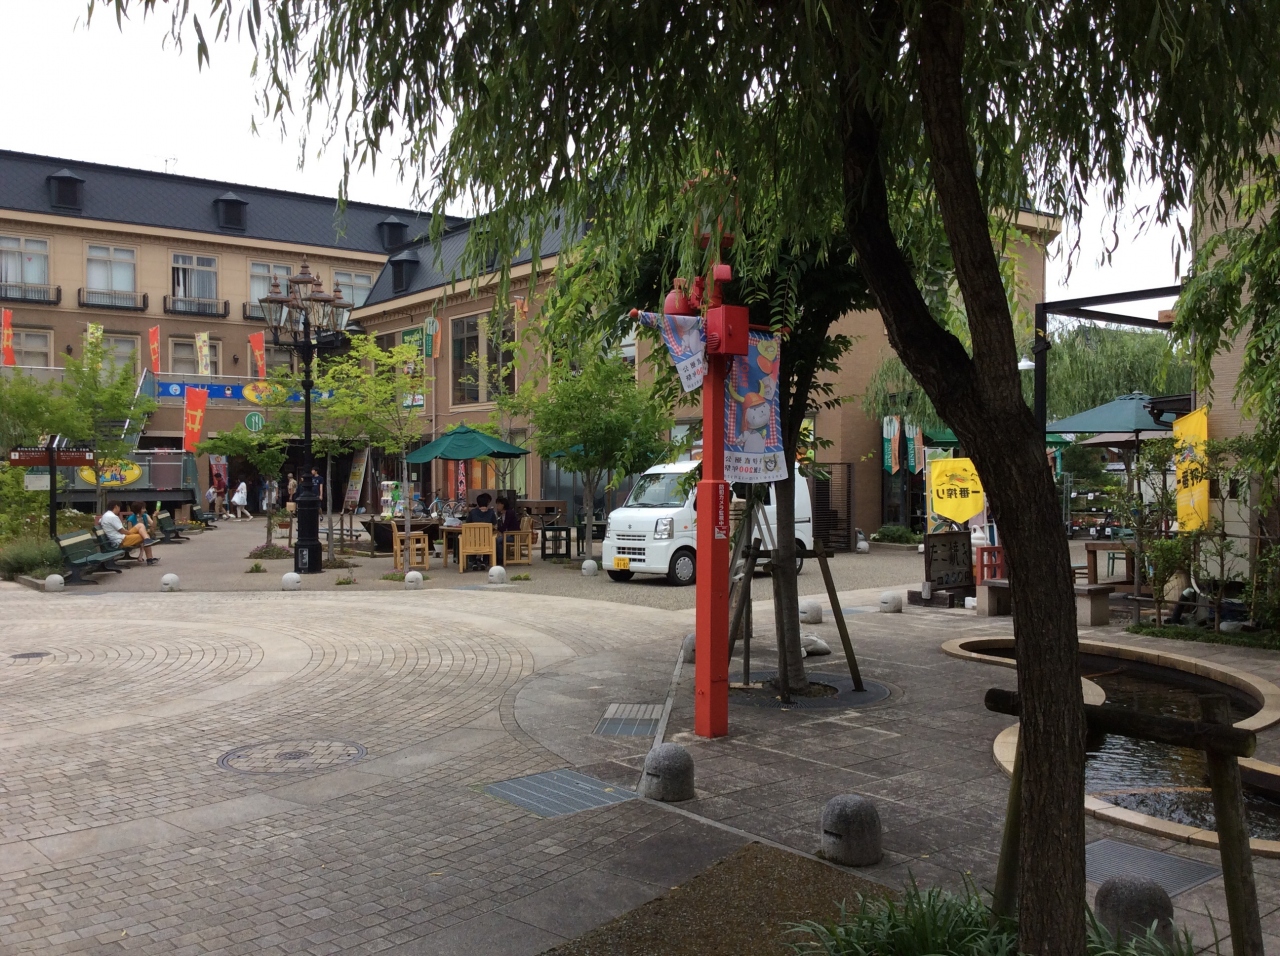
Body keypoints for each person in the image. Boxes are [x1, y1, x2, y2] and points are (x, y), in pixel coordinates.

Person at [493, 497, 521, 567]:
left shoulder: (509, 513)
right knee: (497, 539)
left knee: (498, 540)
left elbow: (504, 526)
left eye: (498, 504)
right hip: (508, 534)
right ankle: (497, 557)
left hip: (514, 536)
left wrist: (496, 528)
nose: (497, 506)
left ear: (503, 505)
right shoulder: (503, 514)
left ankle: (500, 559)